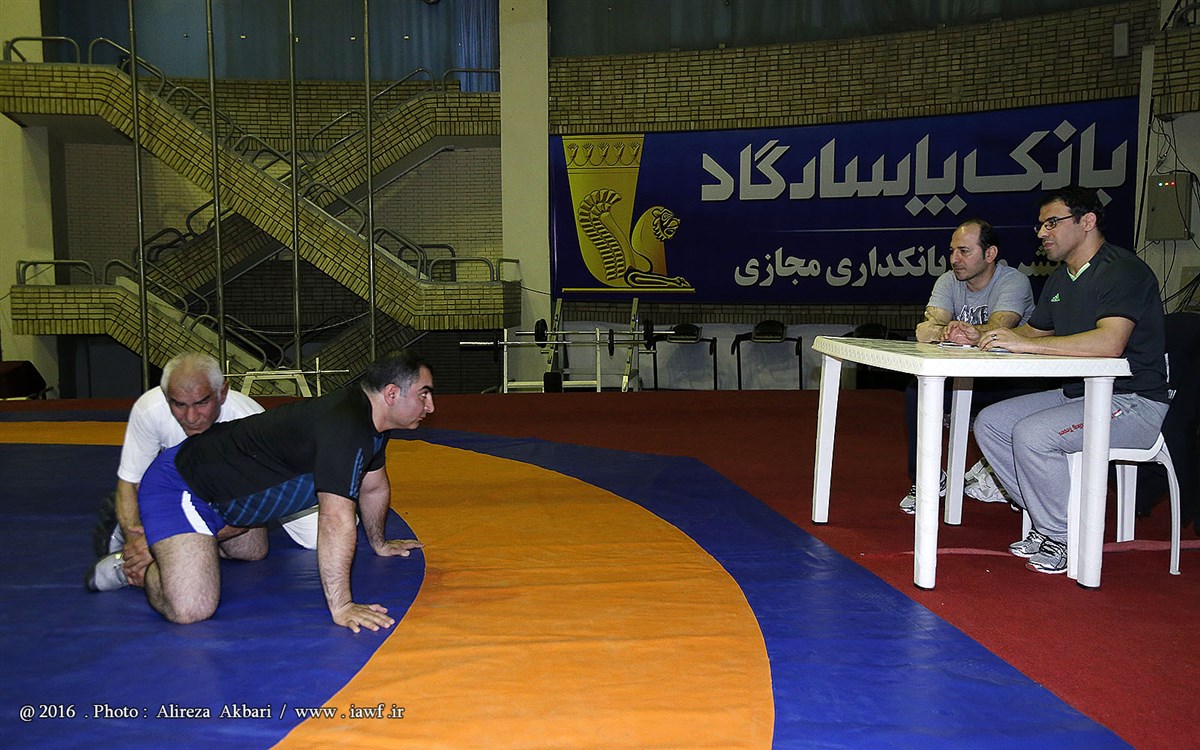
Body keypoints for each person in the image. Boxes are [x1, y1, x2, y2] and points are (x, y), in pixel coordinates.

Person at [132, 349, 431, 632]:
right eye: (424, 394)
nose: (430, 407)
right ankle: (146, 566)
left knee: (253, 552)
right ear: (391, 394)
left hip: (226, 495)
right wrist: (342, 606)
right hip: (181, 483)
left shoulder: (370, 424)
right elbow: (334, 520)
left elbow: (373, 488)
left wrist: (380, 543)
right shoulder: (345, 426)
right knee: (192, 609)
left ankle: (187, 544)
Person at [972, 187, 1169, 574]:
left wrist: (1026, 346)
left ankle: (1063, 536)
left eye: (1052, 223)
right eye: (1040, 225)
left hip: (1133, 402)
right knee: (991, 424)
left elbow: (1110, 343)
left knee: (1032, 434)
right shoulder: (1062, 277)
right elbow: (1033, 332)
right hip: (1080, 395)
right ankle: (1048, 518)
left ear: (1087, 221)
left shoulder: (1123, 269)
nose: (1042, 233)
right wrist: (981, 335)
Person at [897, 219, 1036, 513]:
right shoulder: (948, 281)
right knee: (916, 391)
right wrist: (952, 332)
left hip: (1012, 381)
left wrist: (967, 332)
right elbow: (926, 330)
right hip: (966, 378)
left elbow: (999, 329)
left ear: (990, 254)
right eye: (952, 251)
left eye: (964, 251)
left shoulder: (1013, 282)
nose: (954, 259)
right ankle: (927, 478)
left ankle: (1018, 483)